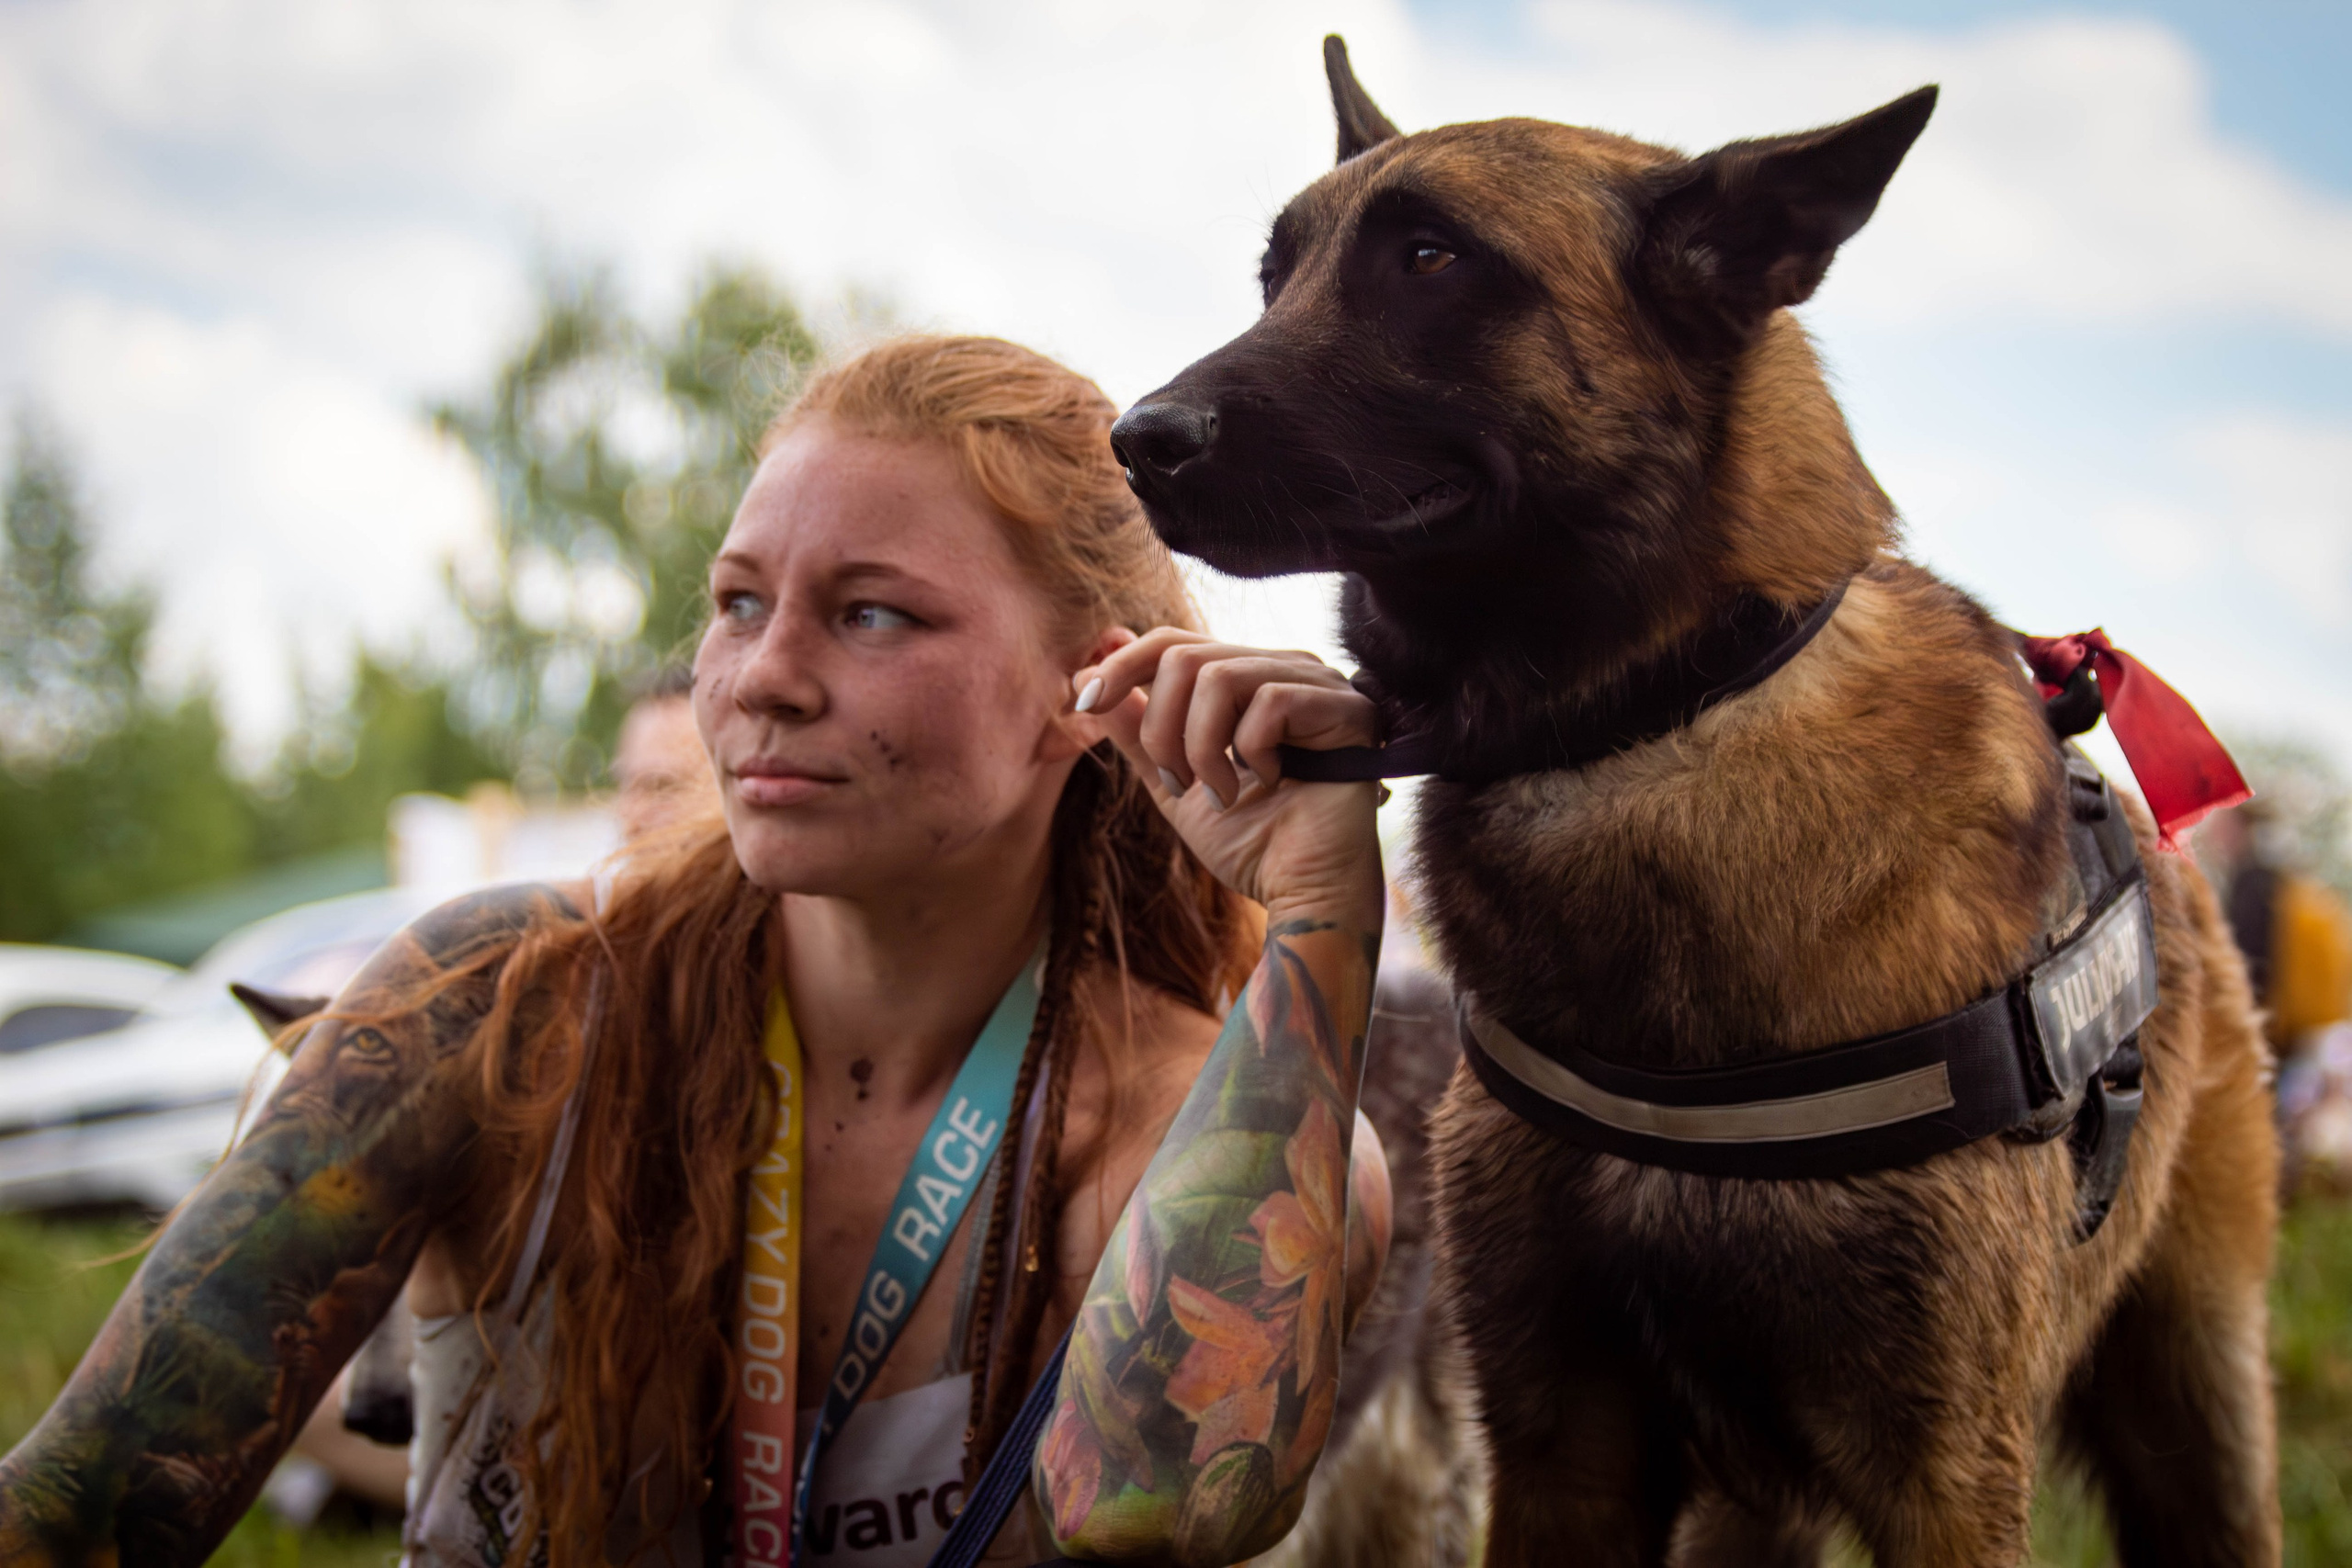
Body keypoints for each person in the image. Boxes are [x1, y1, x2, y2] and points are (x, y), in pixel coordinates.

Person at [0, 334, 1392, 1568]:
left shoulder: (1197, 1130)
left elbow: (1162, 1512)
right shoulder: (492, 1010)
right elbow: (84, 1513)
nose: (762, 675)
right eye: (738, 602)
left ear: (1085, 693)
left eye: (872, 612)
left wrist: (1320, 918)